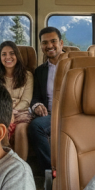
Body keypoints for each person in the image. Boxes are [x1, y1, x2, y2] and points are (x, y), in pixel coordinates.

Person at [27, 26, 65, 170]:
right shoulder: (40, 71)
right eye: (45, 43)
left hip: (71, 113)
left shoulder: (77, 64)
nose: (49, 46)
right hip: (49, 115)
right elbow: (35, 97)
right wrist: (36, 106)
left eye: (53, 41)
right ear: (41, 46)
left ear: (61, 43)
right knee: (36, 126)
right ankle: (50, 172)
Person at [0, 40, 34, 158]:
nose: (8, 57)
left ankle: (21, 167)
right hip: (1, 112)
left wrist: (12, 111)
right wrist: (7, 111)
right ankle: (3, 165)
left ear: (17, 56)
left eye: (11, 53)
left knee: (21, 129)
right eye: (4, 54)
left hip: (22, 112)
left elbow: (26, 101)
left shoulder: (27, 76)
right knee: (1, 128)